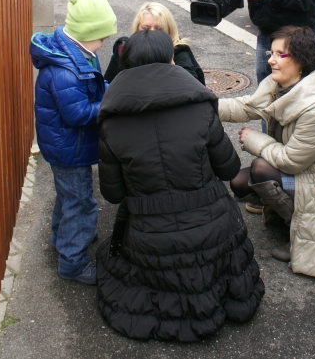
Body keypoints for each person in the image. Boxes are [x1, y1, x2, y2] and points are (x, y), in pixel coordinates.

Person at [96, 30, 264, 342]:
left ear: (124, 63)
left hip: (150, 240)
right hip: (212, 231)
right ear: (171, 60)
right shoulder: (200, 106)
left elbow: (113, 193)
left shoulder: (110, 121)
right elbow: (228, 168)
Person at [219, 26, 315, 278]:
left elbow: (290, 162)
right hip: (309, 170)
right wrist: (203, 104)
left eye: (280, 55)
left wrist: (256, 139)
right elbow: (246, 107)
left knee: (260, 169)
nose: (270, 60)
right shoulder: (283, 85)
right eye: (271, 52)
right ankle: (284, 211)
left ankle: (297, 232)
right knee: (238, 182)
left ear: (300, 60)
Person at [30, 0, 117, 285]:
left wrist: (108, 86)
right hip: (69, 148)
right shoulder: (65, 70)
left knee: (68, 197)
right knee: (81, 203)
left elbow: (92, 83)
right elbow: (78, 114)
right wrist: (109, 104)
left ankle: (61, 238)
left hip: (64, 145)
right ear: (85, 34)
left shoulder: (77, 53)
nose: (104, 43)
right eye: (101, 37)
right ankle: (73, 262)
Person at [104, 1, 205, 84]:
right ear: (137, 28)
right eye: (145, 28)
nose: (151, 33)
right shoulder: (125, 49)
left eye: (159, 29)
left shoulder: (179, 51)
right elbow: (108, 84)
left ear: (169, 30)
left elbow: (193, 87)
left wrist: (171, 65)